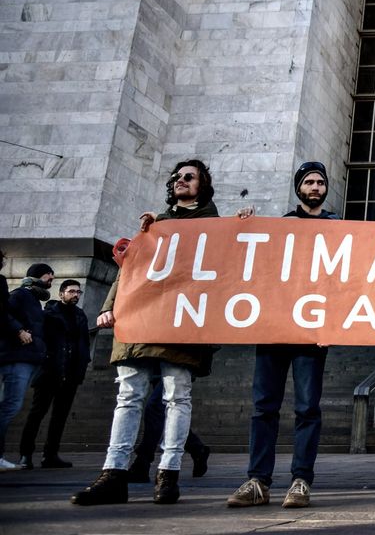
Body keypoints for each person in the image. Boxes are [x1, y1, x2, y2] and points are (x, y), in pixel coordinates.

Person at [72, 159, 227, 506]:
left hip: (182, 321)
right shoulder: (153, 227)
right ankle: (114, 473)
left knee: (177, 396)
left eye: (189, 177)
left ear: (203, 185)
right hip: (141, 317)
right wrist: (110, 305)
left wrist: (244, 222)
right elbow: (131, 270)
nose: (180, 181)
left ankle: (168, 473)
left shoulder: (215, 227)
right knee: (128, 396)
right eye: (177, 177)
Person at [228, 161, 336, 509]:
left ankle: (301, 480)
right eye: (309, 182)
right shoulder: (279, 227)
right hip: (274, 327)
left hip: (311, 330)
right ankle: (258, 481)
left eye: (320, 182)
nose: (316, 187)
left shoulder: (338, 227)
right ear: (298, 188)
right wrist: (244, 226)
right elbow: (249, 262)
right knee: (264, 407)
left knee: (307, 408)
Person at [18, 278, 90, 469]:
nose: (75, 295)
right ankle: (25, 455)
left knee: (60, 416)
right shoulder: (49, 314)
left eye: (78, 292)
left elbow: (84, 343)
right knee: (37, 414)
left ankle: (50, 455)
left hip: (71, 374)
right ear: (61, 294)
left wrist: (83, 365)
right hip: (50, 372)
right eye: (71, 291)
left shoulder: (80, 315)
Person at [0, 263, 53, 470]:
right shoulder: (20, 294)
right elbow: (3, 313)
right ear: (37, 276)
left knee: (10, 406)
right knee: (9, 406)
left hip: (27, 358)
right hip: (17, 357)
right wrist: (19, 330)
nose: (51, 280)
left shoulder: (33, 299)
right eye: (49, 276)